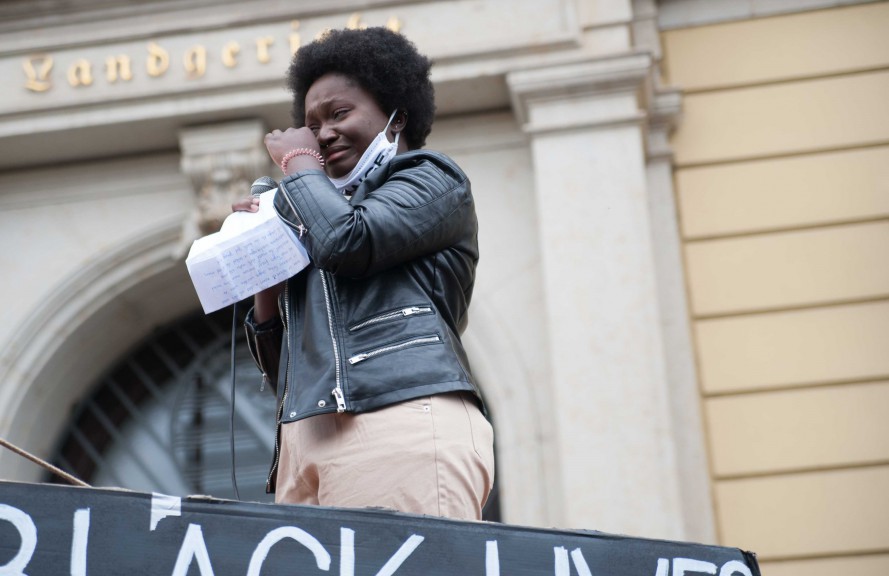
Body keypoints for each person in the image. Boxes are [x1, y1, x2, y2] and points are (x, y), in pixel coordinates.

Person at [237, 27, 494, 521]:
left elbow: (348, 242)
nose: (324, 133)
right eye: (311, 126)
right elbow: (290, 371)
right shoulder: (317, 213)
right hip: (302, 445)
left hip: (398, 420)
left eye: (339, 114)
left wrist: (297, 165)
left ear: (396, 116)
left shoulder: (431, 179)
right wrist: (266, 255)